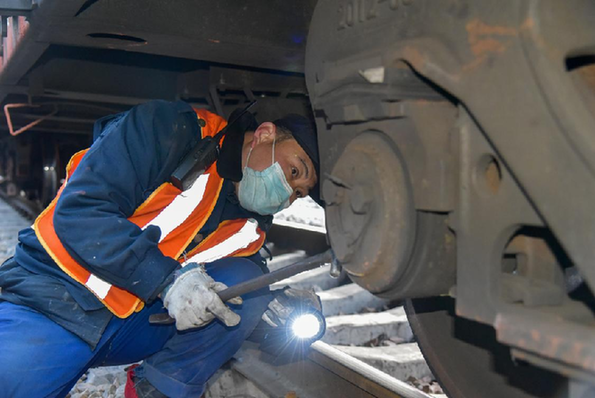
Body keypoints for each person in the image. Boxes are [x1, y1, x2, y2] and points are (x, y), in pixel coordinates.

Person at [0, 100, 320, 398]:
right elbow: (80, 212)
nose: (288, 193)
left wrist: (274, 311)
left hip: (135, 325)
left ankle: (154, 390)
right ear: (265, 135)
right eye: (294, 171)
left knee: (248, 283)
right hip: (57, 303)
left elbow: (230, 301)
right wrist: (167, 281)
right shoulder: (171, 129)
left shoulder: (251, 226)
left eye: (299, 193)